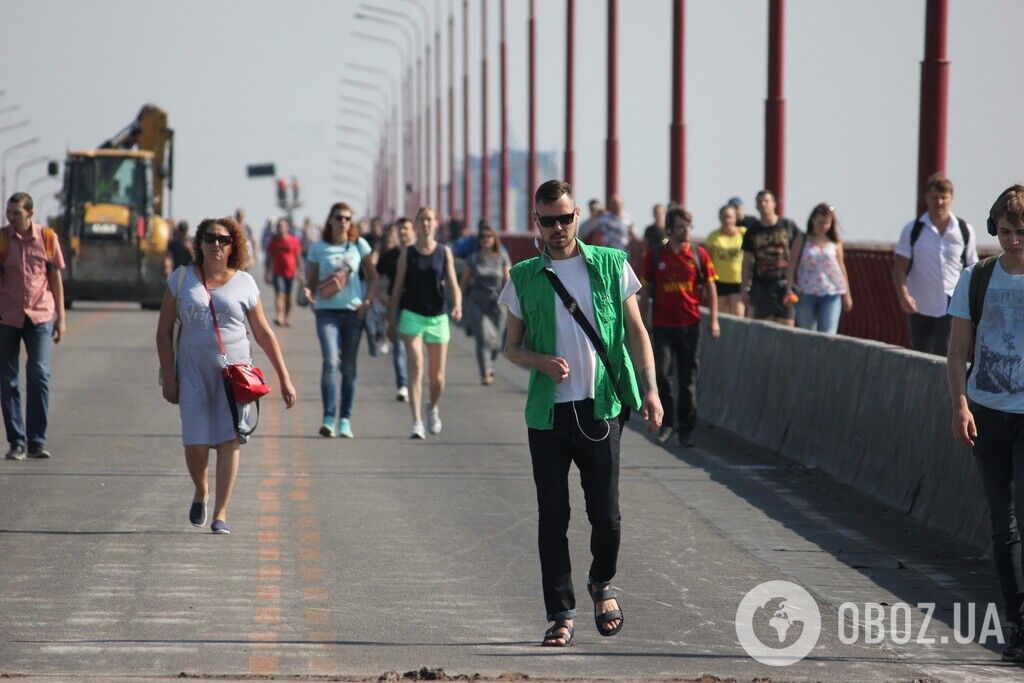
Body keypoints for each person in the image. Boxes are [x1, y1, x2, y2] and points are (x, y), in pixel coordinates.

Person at [499, 180, 663, 647]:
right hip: (548, 414)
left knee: (606, 515)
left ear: (577, 218)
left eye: (564, 218)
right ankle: (561, 612)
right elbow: (511, 347)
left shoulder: (612, 265)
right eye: (547, 220)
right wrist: (541, 362)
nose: (556, 228)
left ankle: (601, 583)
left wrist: (650, 392)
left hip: (601, 407)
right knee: (553, 515)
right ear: (537, 222)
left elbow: (636, 332)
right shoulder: (523, 276)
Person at [155, 217, 296, 534]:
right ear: (199, 243)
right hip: (191, 374)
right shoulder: (181, 280)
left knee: (230, 440)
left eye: (223, 239)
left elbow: (262, 332)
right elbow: (163, 331)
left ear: (233, 245)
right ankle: (201, 489)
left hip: (234, 377)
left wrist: (284, 377)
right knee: (196, 441)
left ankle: (220, 513)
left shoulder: (244, 283)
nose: (215, 244)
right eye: (209, 238)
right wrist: (168, 374)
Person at [947, 184, 1024, 663]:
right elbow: (957, 352)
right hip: (988, 412)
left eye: (1022, 232)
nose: (1014, 240)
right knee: (1003, 524)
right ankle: (1015, 621)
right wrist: (960, 405)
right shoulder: (977, 278)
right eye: (1008, 231)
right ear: (995, 227)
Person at [639, 207, 719, 448]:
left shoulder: (699, 255)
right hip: (662, 325)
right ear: (671, 229)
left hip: (690, 324)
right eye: (681, 226)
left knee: (688, 379)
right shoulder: (655, 257)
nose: (686, 231)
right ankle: (668, 423)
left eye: (689, 226)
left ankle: (686, 429)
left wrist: (714, 320)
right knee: (662, 374)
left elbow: (712, 289)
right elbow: (646, 293)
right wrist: (643, 322)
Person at [302, 202, 377, 439]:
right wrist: (307, 291)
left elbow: (373, 277)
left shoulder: (359, 245)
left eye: (347, 218)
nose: (343, 221)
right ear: (330, 220)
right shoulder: (318, 248)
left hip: (353, 313)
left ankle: (345, 419)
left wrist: (368, 302)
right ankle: (328, 418)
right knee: (331, 360)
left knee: (348, 367)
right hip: (326, 313)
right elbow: (311, 279)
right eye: (339, 217)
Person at [0, 193, 66, 461]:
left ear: (30, 214)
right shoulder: (3, 240)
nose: (11, 217)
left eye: (16, 213)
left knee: (39, 374)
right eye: (8, 212)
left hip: (39, 316)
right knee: (8, 381)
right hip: (7, 317)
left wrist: (61, 318)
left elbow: (56, 279)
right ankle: (17, 441)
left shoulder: (47, 238)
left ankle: (37, 440)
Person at [388, 207, 462, 439]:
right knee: (417, 366)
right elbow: (398, 287)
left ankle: (432, 407)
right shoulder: (407, 253)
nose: (426, 224)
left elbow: (452, 283)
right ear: (417, 225)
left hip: (438, 317)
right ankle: (417, 421)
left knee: (437, 377)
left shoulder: (444, 252)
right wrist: (392, 320)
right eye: (422, 220)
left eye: (430, 220)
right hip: (412, 316)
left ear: (436, 224)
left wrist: (457, 304)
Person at [894, 173, 978, 355]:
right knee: (919, 351)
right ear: (926, 198)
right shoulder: (913, 229)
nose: (939, 202)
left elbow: (972, 267)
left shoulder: (964, 230)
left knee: (945, 350)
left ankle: (943, 384)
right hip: (919, 301)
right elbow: (899, 268)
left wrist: (972, 300)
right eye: (934, 198)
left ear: (951, 198)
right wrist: (904, 295)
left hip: (952, 299)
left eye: (943, 198)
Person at [786, 203, 853, 334]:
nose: (824, 227)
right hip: (806, 292)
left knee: (829, 333)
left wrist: (847, 295)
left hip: (831, 292)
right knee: (807, 333)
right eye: (821, 222)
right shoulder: (802, 239)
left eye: (827, 223)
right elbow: (792, 265)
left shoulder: (835, 241)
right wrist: (789, 289)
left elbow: (841, 267)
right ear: (813, 220)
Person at [459, 222, 510, 385]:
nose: (485, 239)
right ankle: (486, 372)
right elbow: (465, 282)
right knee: (483, 336)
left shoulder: (502, 256)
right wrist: (459, 302)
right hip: (477, 302)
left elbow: (508, 279)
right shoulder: (473, 258)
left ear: (494, 239)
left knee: (496, 341)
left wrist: (513, 300)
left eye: (489, 236)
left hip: (497, 302)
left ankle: (492, 358)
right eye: (482, 237)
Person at [740, 189, 801, 326]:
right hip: (762, 285)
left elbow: (799, 250)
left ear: (774, 204)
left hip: (785, 284)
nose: (763, 204)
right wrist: (744, 288)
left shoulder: (788, 226)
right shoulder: (752, 231)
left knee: (786, 326)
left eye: (766, 201)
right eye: (760, 201)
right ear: (756, 206)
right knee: (766, 327)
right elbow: (747, 262)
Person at [377, 218, 415, 402]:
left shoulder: (420, 254)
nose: (402, 233)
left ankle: (412, 381)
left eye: (406, 229)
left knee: (414, 349)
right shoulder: (390, 256)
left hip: (418, 307)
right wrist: (380, 295)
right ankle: (402, 385)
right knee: (399, 346)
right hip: (397, 304)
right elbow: (374, 277)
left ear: (413, 231)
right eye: (400, 229)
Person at [705, 204, 747, 317]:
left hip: (738, 281)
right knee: (722, 316)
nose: (727, 219)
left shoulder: (744, 233)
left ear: (735, 218)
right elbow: (708, 262)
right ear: (720, 218)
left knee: (738, 315)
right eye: (724, 216)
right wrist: (707, 285)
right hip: (720, 281)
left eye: (730, 216)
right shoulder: (713, 237)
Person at [264, 218, 303, 327]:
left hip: (291, 272)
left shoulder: (294, 240)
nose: (281, 228)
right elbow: (270, 258)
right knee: (280, 294)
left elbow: (298, 257)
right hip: (278, 272)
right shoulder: (274, 242)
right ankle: (280, 317)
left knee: (289, 296)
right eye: (279, 226)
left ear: (287, 228)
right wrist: (267, 273)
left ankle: (287, 317)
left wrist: (300, 272)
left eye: (283, 226)